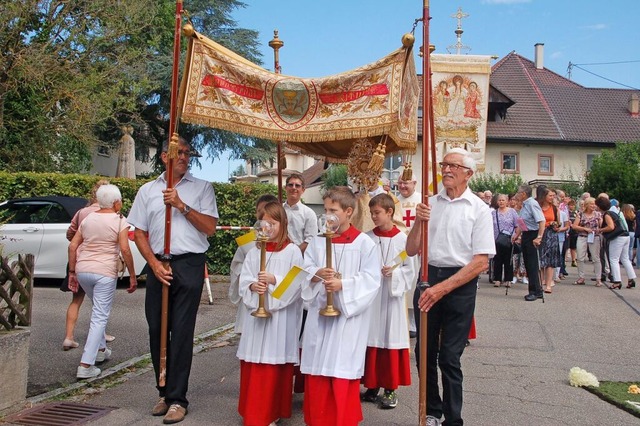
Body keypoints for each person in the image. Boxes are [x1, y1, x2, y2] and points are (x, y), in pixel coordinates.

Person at [128, 135, 218, 424]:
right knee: (157, 327)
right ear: (165, 156)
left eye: (187, 153)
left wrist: (182, 206)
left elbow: (210, 228)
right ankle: (163, 391)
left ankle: (178, 399)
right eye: (178, 153)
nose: (184, 157)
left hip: (189, 263)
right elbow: (139, 231)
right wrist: (152, 264)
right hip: (158, 264)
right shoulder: (147, 190)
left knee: (181, 331)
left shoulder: (202, 188)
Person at [406, 148, 494, 426]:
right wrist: (419, 222)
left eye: (454, 166)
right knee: (424, 352)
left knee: (449, 356)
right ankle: (432, 410)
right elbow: (411, 249)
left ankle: (453, 418)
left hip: (460, 282)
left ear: (468, 174)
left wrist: (442, 288)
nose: (446, 170)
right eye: (444, 165)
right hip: (428, 276)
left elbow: (481, 262)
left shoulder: (479, 209)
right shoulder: (430, 203)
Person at [301, 186, 381, 426]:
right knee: (317, 374)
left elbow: (371, 280)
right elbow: (304, 271)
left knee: (341, 373)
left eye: (333, 210)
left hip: (347, 324)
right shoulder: (317, 241)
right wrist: (316, 274)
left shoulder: (364, 244)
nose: (327, 215)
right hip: (320, 319)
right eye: (325, 210)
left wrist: (342, 285)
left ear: (348, 211)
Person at [236, 201, 304, 426]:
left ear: (282, 224)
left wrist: (274, 282)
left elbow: (296, 285)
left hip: (280, 323)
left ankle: (271, 413)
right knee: (255, 364)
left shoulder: (293, 251)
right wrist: (253, 287)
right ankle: (254, 414)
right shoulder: (255, 251)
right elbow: (244, 279)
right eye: (264, 223)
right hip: (256, 320)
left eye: (272, 223)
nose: (268, 228)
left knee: (274, 366)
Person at [67, 184, 137, 379]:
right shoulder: (119, 221)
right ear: (116, 203)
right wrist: (132, 275)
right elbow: (125, 249)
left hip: (83, 270)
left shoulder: (88, 219)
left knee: (97, 308)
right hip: (105, 271)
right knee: (100, 316)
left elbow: (73, 246)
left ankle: (100, 351)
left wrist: (72, 271)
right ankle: (85, 364)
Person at [361, 194, 415, 409]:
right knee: (371, 337)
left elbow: (410, 270)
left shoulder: (403, 240)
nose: (373, 217)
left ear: (389, 212)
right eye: (371, 213)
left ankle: (391, 388)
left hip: (392, 297)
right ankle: (372, 385)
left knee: (390, 338)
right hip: (372, 297)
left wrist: (395, 275)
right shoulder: (366, 239)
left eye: (377, 213)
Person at [62, 179, 114, 351]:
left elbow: (70, 234)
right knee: (100, 302)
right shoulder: (110, 213)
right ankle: (101, 337)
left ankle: (69, 337)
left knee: (76, 300)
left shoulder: (82, 212)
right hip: (100, 263)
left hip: (77, 261)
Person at [229, 194, 278, 334]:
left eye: (266, 210)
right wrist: (248, 278)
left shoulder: (285, 242)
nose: (262, 215)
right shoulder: (247, 240)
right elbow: (236, 267)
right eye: (259, 211)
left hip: (275, 299)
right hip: (253, 294)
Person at [396, 173, 421, 337]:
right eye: (400, 183)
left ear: (415, 183)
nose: (403, 186)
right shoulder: (394, 200)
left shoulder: (421, 200)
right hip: (399, 249)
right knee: (401, 283)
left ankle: (413, 323)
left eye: (406, 183)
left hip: (416, 249)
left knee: (414, 284)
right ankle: (402, 321)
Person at [596, 196, 636, 289]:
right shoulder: (615, 212)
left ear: (600, 206)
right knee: (625, 258)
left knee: (613, 259)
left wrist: (600, 230)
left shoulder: (607, 214)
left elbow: (611, 227)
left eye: (597, 205)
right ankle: (631, 278)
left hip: (618, 238)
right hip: (625, 236)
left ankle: (617, 281)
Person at [516, 184, 546, 301]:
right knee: (528, 264)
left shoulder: (532, 204)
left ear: (523, 194)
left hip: (533, 235)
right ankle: (536, 289)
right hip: (526, 234)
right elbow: (522, 222)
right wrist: (517, 235)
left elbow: (541, 221)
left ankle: (535, 291)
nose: (517, 194)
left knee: (532, 264)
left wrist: (539, 237)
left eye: (518, 192)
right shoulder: (525, 205)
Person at [283, 173, 318, 255]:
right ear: (285, 188)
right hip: (278, 255)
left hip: (300, 257)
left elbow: (311, 239)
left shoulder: (309, 213)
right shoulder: (279, 210)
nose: (293, 188)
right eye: (290, 185)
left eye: (297, 185)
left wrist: (294, 253)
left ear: (303, 190)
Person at [536, 187, 563, 294]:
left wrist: (556, 226)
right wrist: (548, 223)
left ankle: (548, 285)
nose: (552, 198)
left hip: (552, 235)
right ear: (544, 196)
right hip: (540, 234)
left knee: (550, 261)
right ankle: (539, 283)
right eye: (550, 196)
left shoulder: (555, 208)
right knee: (540, 260)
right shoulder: (538, 207)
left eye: (553, 196)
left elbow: (558, 223)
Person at [571, 197, 602, 286]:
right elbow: (574, 226)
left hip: (594, 237)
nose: (593, 206)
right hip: (582, 236)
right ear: (587, 205)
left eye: (594, 204)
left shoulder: (598, 214)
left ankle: (598, 278)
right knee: (580, 257)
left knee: (596, 258)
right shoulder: (580, 214)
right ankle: (581, 277)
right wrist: (584, 228)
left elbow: (601, 226)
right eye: (591, 204)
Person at [491, 194, 520, 288]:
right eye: (499, 200)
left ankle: (508, 279)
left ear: (507, 201)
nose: (501, 202)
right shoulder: (493, 213)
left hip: (509, 239)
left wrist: (516, 235)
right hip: (497, 239)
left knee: (508, 260)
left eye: (503, 200)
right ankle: (497, 279)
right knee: (497, 259)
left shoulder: (512, 212)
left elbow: (518, 225)